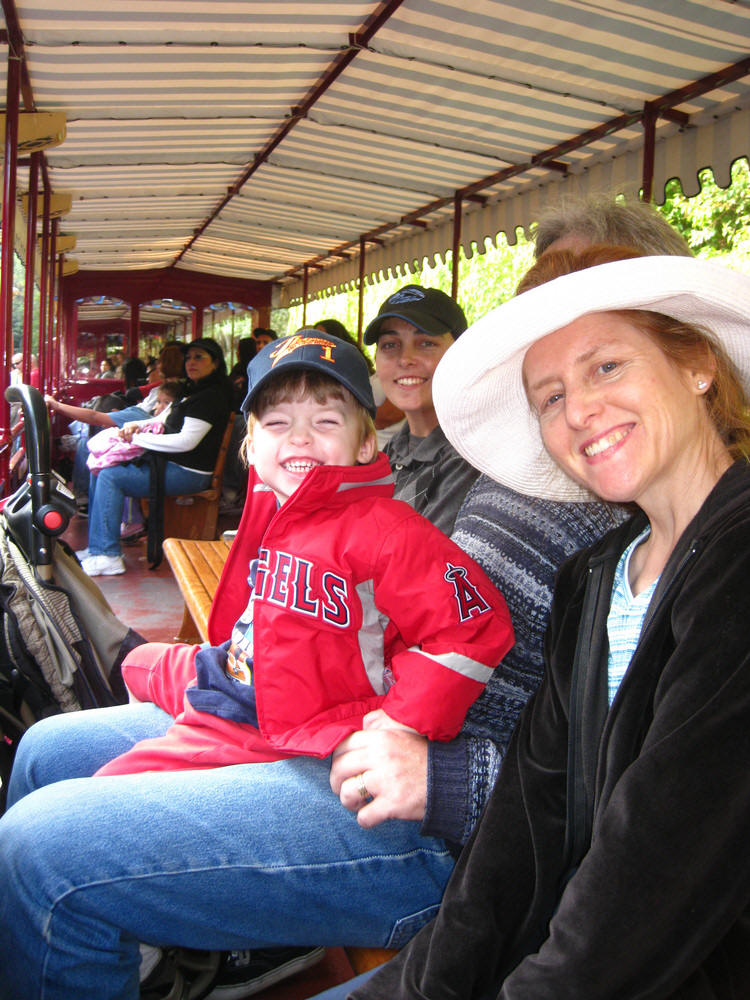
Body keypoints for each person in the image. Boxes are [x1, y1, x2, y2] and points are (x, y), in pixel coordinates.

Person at [0, 330, 514, 1000]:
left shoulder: (387, 529)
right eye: (277, 423)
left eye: (326, 421)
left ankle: (139, 947)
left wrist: (400, 723)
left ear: (366, 444)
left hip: (305, 740)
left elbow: (473, 625)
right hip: (247, 706)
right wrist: (162, 666)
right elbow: (251, 640)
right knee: (69, 732)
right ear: (250, 446)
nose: (300, 437)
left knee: (88, 813)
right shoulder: (272, 515)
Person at [329, 246, 750, 999]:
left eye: (606, 367)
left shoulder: (738, 558)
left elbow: (659, 867)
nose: (579, 411)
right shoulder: (595, 578)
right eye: (549, 398)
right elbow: (526, 821)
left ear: (697, 365)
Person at [77, 338, 231, 577]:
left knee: (110, 476)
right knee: (100, 467)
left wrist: (136, 439)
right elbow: (160, 419)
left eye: (199, 357)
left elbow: (185, 442)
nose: (191, 362)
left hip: (189, 473)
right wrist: (134, 426)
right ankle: (98, 546)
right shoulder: (190, 391)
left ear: (216, 363)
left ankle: (107, 555)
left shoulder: (211, 397)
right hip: (170, 464)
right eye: (188, 358)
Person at [363, 285, 479, 535]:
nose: (405, 359)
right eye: (390, 345)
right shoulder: (395, 448)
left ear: (462, 354)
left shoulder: (468, 459)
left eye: (426, 343)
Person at [315, 316, 406, 447]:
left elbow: (386, 416)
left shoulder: (350, 365)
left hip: (380, 447)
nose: (317, 340)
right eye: (387, 345)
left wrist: (348, 422)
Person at [85, 380, 182, 472]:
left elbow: (94, 416)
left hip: (157, 458)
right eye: (158, 402)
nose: (160, 406)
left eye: (167, 403)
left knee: (106, 473)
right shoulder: (152, 416)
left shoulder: (172, 421)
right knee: (96, 462)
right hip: (146, 452)